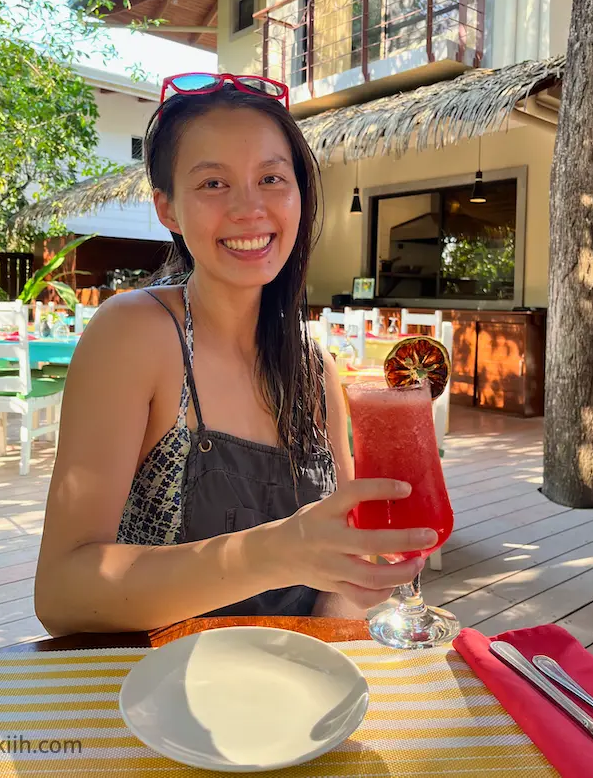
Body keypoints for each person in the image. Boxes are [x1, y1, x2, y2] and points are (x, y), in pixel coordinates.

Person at [34, 73, 438, 636]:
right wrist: (275, 551)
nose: (250, 208)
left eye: (271, 178)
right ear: (167, 209)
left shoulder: (312, 368)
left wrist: (355, 595)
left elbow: (342, 568)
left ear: (299, 194)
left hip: (292, 686)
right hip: (156, 691)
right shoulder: (135, 334)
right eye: (213, 184)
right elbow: (61, 594)